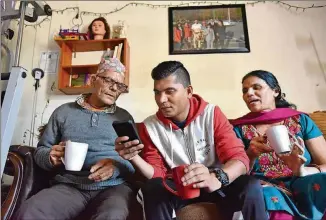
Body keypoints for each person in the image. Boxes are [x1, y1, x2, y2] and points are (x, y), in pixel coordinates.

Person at [115, 61, 267, 220]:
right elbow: (157, 174)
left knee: (251, 185)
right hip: (179, 189)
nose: (161, 100)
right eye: (157, 92)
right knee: (151, 188)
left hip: (216, 185)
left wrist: (217, 178)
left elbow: (239, 159)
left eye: (169, 91)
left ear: (188, 91)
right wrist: (133, 158)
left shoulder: (211, 114)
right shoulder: (150, 126)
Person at [13, 56, 141, 220]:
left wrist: (115, 167)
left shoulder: (124, 118)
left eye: (120, 85)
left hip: (113, 187)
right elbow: (41, 151)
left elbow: (134, 162)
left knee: (113, 215)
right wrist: (50, 157)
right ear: (94, 80)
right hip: (70, 185)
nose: (114, 88)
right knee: (31, 211)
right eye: (109, 80)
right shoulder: (64, 112)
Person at [230, 70, 326, 220]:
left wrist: (303, 170)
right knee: (267, 194)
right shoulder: (237, 129)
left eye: (256, 87)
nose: (249, 93)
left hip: (304, 181)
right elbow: (233, 174)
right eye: (245, 90)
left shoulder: (301, 120)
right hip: (268, 188)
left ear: (275, 91)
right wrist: (251, 154)